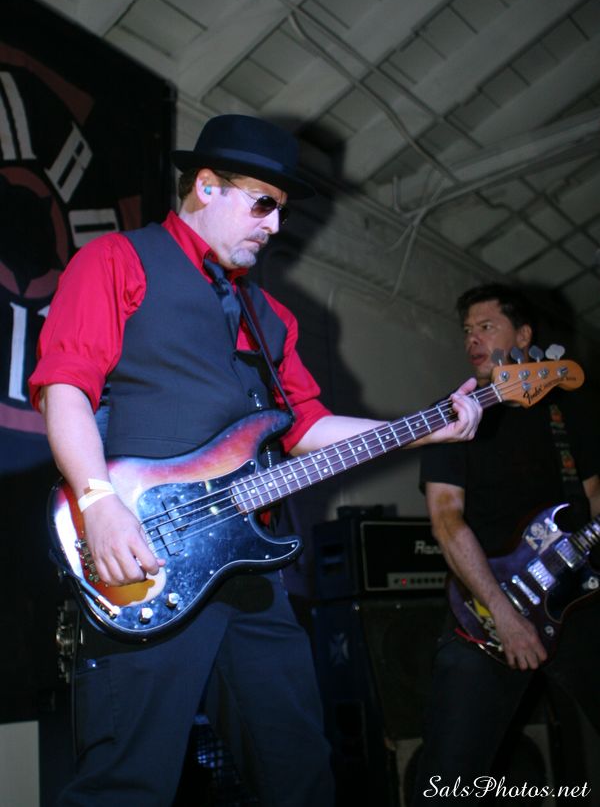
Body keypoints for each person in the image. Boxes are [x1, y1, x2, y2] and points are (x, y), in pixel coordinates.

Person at [29, 114, 482, 807]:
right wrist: (98, 502)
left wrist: (424, 429)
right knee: (126, 785)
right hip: (145, 555)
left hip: (249, 573)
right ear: (207, 186)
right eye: (263, 204)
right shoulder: (118, 260)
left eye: (282, 212)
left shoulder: (271, 316)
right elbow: (65, 386)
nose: (274, 226)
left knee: (300, 774)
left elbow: (307, 426)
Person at [411, 283, 600, 805]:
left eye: (486, 326)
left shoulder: (568, 409)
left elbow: (593, 500)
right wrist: (503, 614)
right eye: (467, 330)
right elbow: (446, 521)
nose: (472, 338)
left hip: (578, 597)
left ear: (523, 336)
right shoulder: (453, 414)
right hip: (488, 606)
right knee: (447, 781)